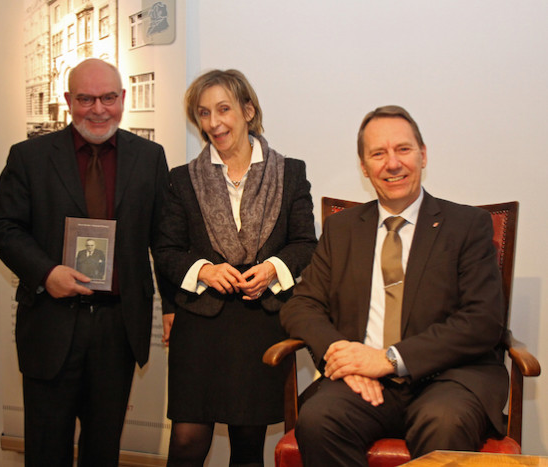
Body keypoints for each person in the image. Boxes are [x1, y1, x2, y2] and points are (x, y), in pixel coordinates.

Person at [280, 105, 508, 466]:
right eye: (378, 153)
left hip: (447, 379)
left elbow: (483, 321)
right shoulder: (343, 229)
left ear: (423, 154)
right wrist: (343, 354)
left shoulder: (467, 225)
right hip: (363, 384)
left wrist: (387, 359)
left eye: (403, 149)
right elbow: (301, 304)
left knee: (444, 422)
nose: (393, 163)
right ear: (364, 166)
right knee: (320, 418)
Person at [0, 58, 169, 466]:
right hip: (51, 322)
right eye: (86, 98)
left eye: (108, 98)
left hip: (117, 327)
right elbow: (3, 226)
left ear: (123, 99)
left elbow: (165, 239)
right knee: (46, 448)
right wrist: (45, 272)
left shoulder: (150, 158)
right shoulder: (29, 156)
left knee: (102, 450)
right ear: (68, 100)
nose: (98, 109)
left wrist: (174, 307)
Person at [153, 69, 317, 466]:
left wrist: (273, 269)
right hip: (200, 324)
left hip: (261, 324)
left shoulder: (290, 173)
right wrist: (205, 271)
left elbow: (306, 245)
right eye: (203, 113)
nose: (214, 123)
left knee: (247, 444)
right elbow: (167, 249)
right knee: (187, 442)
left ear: (248, 110)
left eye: (223, 109)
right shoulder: (181, 180)